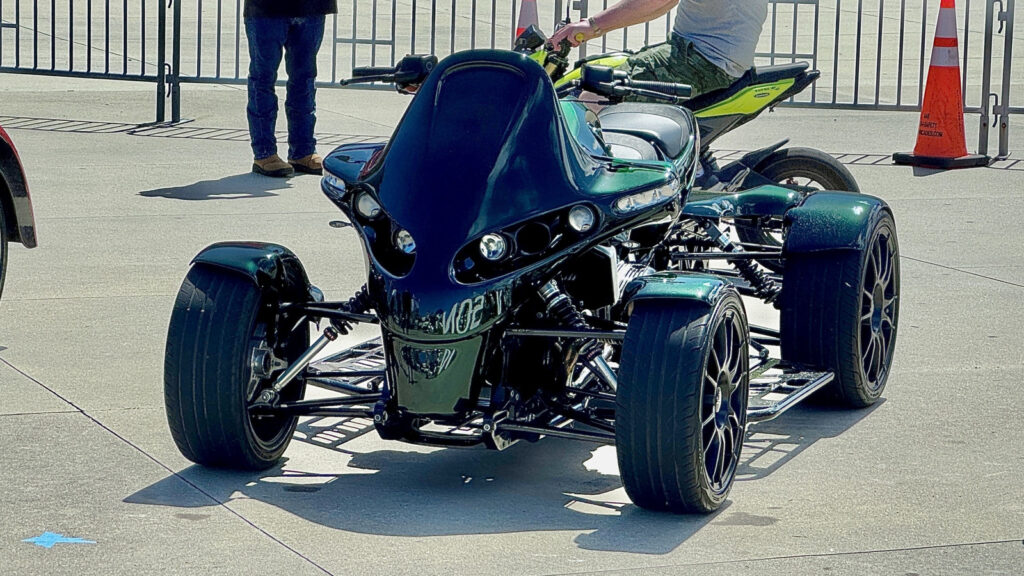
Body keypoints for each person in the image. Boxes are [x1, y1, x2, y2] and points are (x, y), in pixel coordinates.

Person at [549, 0, 768, 98]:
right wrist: (597, 28)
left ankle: (591, 178)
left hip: (701, 59)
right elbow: (661, 5)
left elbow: (654, 1)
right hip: (703, 54)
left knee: (593, 95)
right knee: (614, 65)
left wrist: (593, 25)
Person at [244, 0, 337, 177]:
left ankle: (303, 151)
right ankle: (264, 153)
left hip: (312, 7)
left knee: (304, 79)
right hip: (266, 8)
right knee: (263, 79)